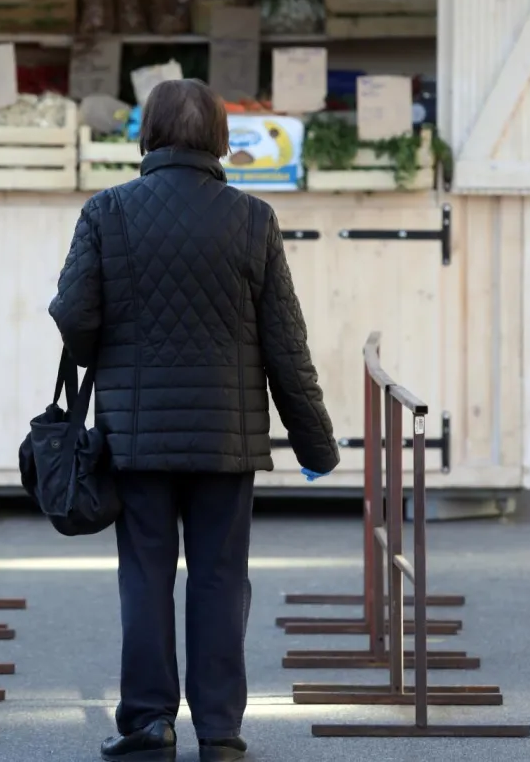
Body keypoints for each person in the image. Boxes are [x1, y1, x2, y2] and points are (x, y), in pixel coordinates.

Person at [50, 79, 339, 762]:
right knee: (219, 578)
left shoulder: (106, 212)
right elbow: (285, 344)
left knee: (145, 576)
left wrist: (104, 348)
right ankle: (220, 733)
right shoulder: (252, 219)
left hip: (137, 439)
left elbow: (72, 313)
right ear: (219, 138)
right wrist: (314, 444)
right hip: (226, 440)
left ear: (145, 135)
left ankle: (149, 724)